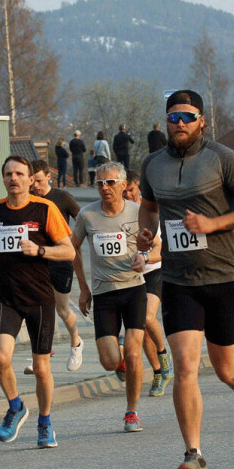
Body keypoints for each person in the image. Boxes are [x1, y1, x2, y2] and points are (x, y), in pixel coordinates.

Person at [137, 89, 234, 469]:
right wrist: (146, 232)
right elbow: (149, 205)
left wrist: (212, 224)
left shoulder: (222, 159)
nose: (180, 124)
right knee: (185, 367)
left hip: (225, 276)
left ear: (202, 121)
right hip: (178, 279)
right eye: (173, 117)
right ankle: (193, 454)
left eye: (187, 117)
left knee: (227, 368)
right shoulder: (152, 164)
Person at [0, 155, 75, 449]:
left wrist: (40, 251)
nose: (14, 178)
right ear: (3, 178)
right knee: (0, 358)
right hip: (6, 297)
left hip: (39, 298)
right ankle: (15, 407)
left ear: (29, 179)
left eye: (19, 174)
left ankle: (45, 422)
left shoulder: (45, 209)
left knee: (42, 367)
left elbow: (69, 251)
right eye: (8, 173)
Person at [72, 163, 155, 431]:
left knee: (133, 352)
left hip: (133, 288)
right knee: (110, 360)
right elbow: (72, 249)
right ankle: (125, 364)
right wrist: (83, 288)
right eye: (100, 183)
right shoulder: (87, 215)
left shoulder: (137, 211)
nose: (105, 188)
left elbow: (155, 244)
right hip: (104, 292)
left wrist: (144, 256)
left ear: (122, 185)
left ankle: (132, 412)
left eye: (110, 182)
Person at [28, 160, 84, 372]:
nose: (36, 186)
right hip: (36, 261)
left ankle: (76, 342)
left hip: (60, 259)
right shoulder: (29, 200)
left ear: (49, 177)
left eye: (39, 181)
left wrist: (74, 243)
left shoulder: (62, 198)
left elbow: (82, 221)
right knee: (38, 307)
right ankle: (41, 354)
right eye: (33, 182)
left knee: (61, 308)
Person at [122, 171, 173, 397]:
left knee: (147, 318)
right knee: (138, 330)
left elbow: (160, 250)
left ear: (138, 189)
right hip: (130, 277)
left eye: (131, 190)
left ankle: (164, 356)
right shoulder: (118, 214)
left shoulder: (149, 211)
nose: (127, 195)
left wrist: (144, 258)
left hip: (154, 272)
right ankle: (158, 371)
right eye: (123, 191)